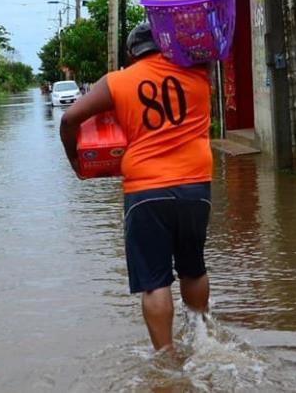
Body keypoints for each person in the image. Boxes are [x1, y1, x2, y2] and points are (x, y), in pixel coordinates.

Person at [59, 23, 213, 354]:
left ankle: (166, 356)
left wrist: (76, 161)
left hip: (146, 190)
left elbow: (70, 119)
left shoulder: (119, 81)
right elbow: (211, 42)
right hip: (196, 187)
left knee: (155, 281)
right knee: (193, 266)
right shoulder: (200, 71)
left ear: (131, 54)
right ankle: (202, 338)